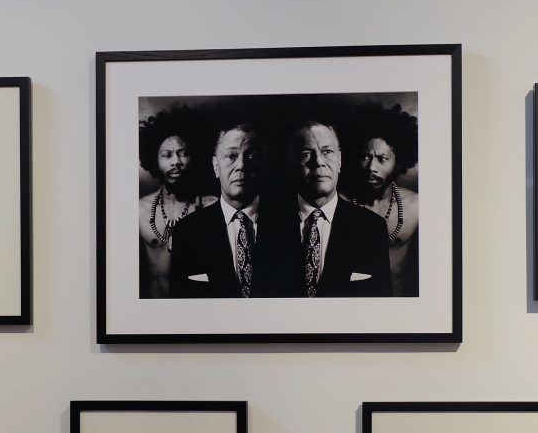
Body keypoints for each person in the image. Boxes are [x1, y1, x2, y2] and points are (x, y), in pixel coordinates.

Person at [169, 124, 285, 298]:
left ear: (263, 165)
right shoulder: (187, 232)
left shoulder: (290, 224)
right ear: (216, 166)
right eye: (231, 156)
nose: (242, 165)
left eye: (252, 156)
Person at [286, 120, 392, 298]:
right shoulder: (263, 224)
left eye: (327, 152)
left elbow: (381, 308)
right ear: (291, 164)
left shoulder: (371, 228)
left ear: (340, 160)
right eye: (306, 154)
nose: (318, 161)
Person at [137, 108, 217, 298]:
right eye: (167, 155)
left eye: (183, 153)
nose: (176, 162)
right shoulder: (139, 210)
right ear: (154, 161)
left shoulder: (212, 207)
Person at [344, 103, 420, 296]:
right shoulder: (339, 202)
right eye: (365, 157)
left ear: (399, 161)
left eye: (382, 158)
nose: (371, 167)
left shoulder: (416, 206)